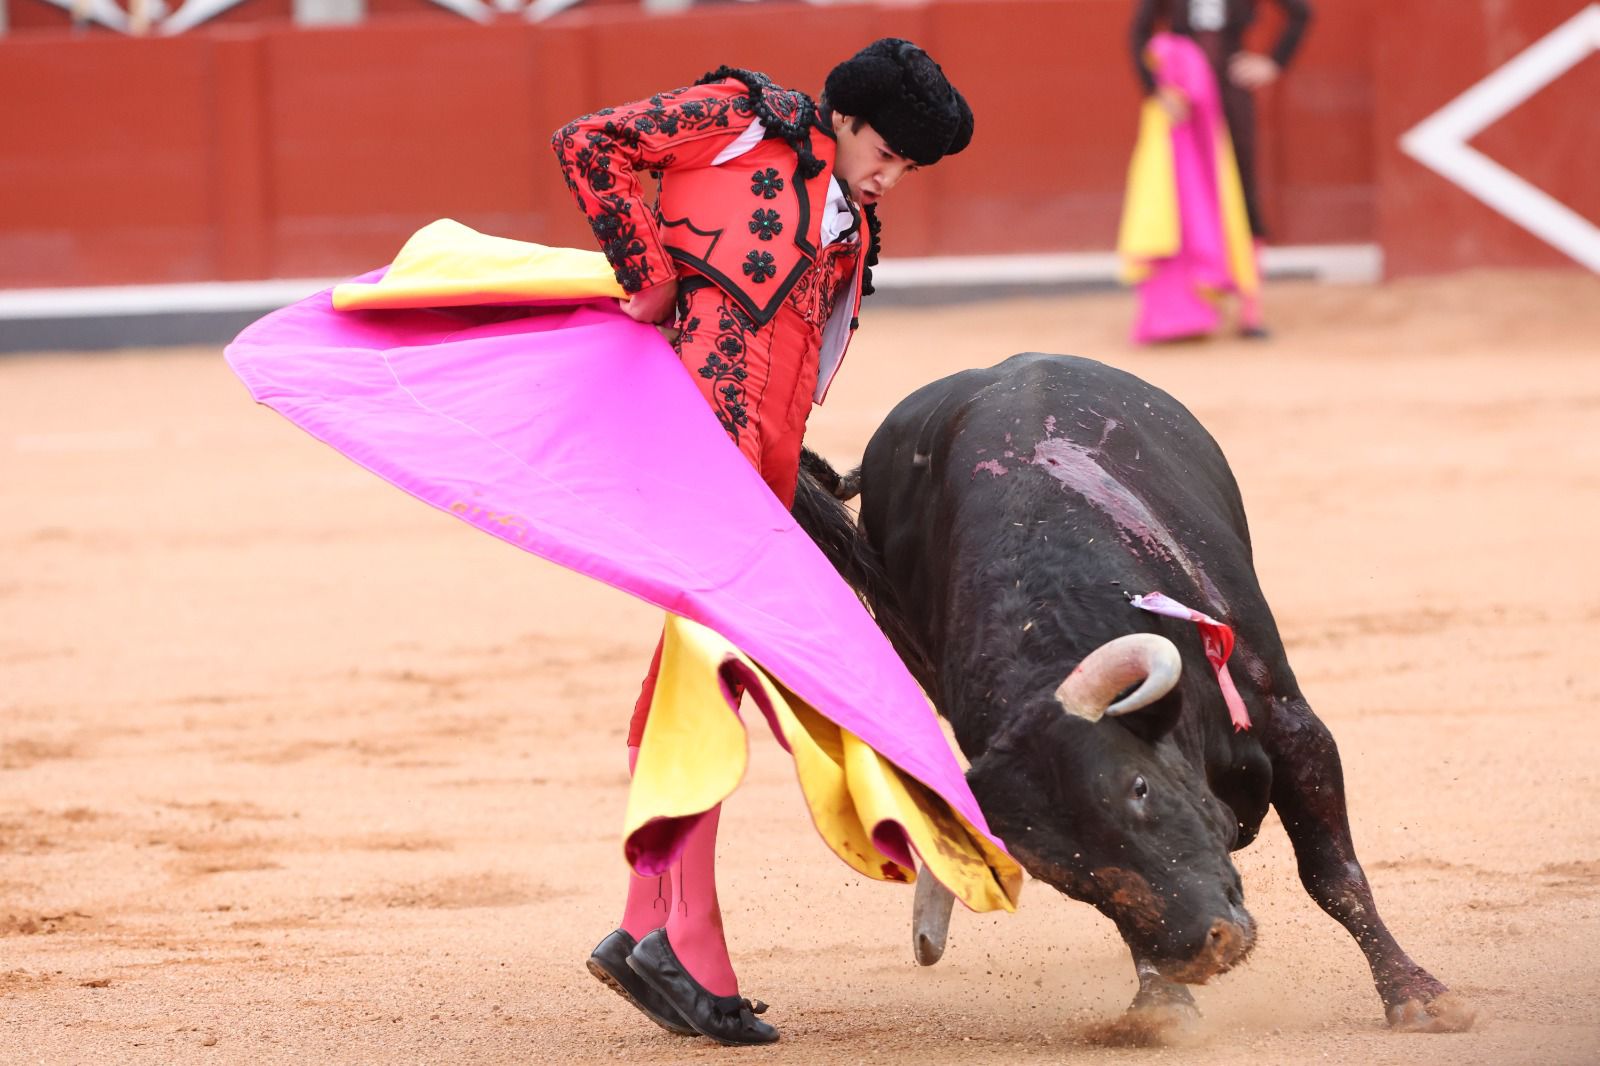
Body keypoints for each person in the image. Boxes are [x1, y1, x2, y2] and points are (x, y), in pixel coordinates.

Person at [550, 38, 973, 1046]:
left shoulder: (850, 221)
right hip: (690, 449)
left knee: (698, 682)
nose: (892, 175)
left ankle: (643, 925)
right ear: (851, 118)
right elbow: (589, 142)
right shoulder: (742, 118)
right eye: (892, 153)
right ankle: (683, 943)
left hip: (757, 471)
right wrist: (647, 278)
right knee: (708, 682)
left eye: (911, 167)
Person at [1129, 0, 1313, 335]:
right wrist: (1156, 91)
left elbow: (1301, 12)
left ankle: (1250, 309)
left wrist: (1273, 63)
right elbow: (1139, 32)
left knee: (1242, 192)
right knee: (1182, 196)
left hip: (1230, 95)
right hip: (1183, 98)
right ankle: (1191, 303)